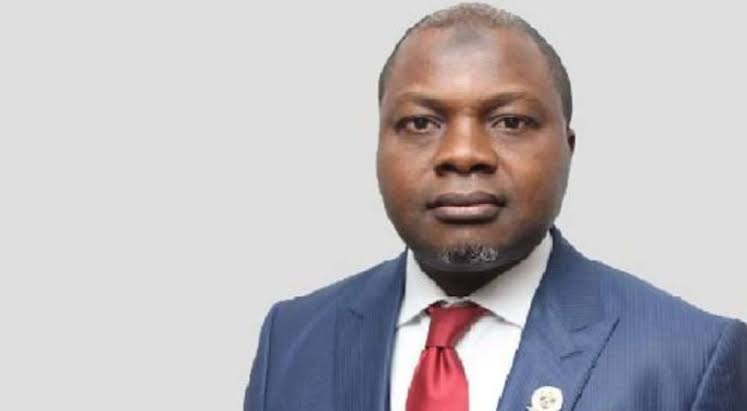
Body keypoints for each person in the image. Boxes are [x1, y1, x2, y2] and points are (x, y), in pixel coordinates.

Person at [244, 3, 747, 410]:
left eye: (510, 122)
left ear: (568, 148)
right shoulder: (292, 339)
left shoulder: (691, 358)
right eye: (421, 123)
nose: (463, 154)